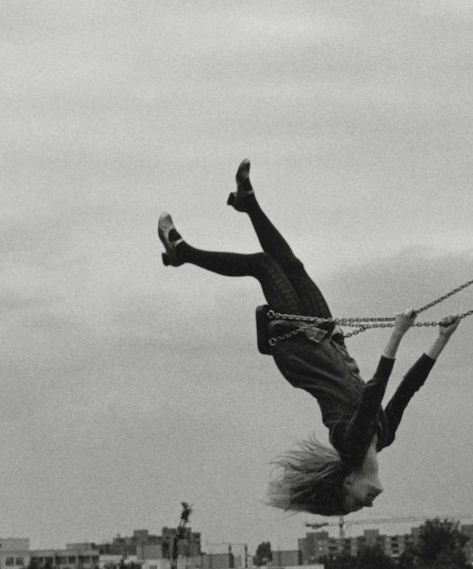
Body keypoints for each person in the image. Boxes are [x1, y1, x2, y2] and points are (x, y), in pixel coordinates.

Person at [158, 160, 457, 514]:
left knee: (265, 265)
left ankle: (183, 253)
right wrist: (441, 338)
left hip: (300, 349)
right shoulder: (384, 435)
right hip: (329, 341)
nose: (370, 505)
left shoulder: (350, 444)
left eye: (357, 503)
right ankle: (247, 204)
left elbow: (375, 388)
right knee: (292, 266)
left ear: (347, 483)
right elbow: (408, 389)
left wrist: (397, 333)